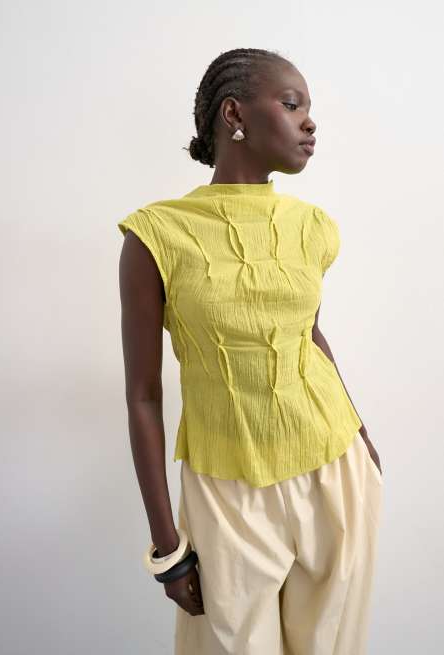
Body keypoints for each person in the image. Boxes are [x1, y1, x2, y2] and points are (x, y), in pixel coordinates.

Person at [117, 47, 383, 655]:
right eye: (291, 104)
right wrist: (167, 548)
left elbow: (308, 336)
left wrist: (362, 437)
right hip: (226, 492)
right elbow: (143, 394)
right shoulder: (155, 235)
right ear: (234, 113)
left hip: (335, 470)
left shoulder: (313, 227)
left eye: (308, 108)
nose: (309, 122)